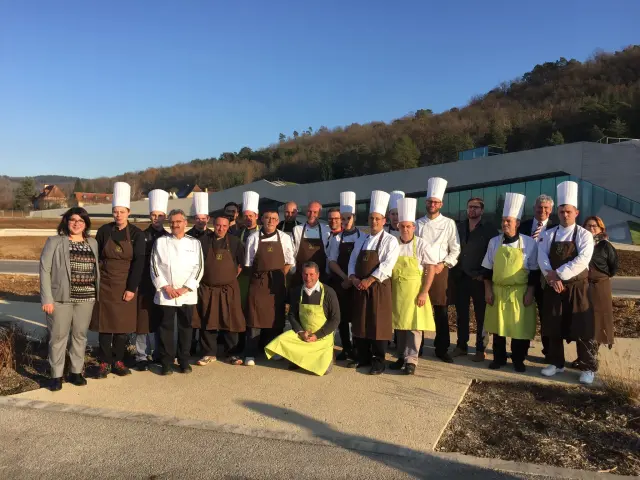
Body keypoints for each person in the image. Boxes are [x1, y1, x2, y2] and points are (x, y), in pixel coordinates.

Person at [538, 181, 595, 384]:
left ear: (576, 213)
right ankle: (556, 363)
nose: (565, 215)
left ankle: (588, 367)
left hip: (577, 289)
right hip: (554, 288)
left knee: (583, 327)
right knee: (553, 325)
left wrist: (558, 275)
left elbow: (583, 260)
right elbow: (541, 257)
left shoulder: (584, 235)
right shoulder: (548, 234)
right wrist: (551, 278)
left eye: (568, 211)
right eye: (562, 211)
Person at [40, 207, 99, 391]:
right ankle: (56, 375)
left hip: (86, 297)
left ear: (86, 224)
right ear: (66, 221)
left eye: (81, 220)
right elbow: (45, 270)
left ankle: (75, 372)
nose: (76, 223)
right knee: (58, 337)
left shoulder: (92, 243)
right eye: (73, 219)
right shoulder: (55, 242)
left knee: (80, 336)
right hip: (60, 299)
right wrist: (47, 298)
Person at [91, 182, 145, 378]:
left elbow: (139, 263)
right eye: (115, 212)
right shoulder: (104, 231)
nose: (118, 215)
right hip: (105, 284)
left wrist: (131, 288)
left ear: (128, 212)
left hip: (125, 285)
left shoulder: (137, 234)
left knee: (122, 327)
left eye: (122, 212)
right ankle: (104, 362)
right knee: (105, 326)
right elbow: (96, 257)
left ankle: (118, 361)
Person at [482, 193, 539, 372]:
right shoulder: (494, 243)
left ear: (517, 223)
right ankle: (498, 358)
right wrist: (488, 290)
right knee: (498, 328)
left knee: (519, 328)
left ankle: (518, 360)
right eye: (503, 221)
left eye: (509, 221)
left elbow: (534, 271)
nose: (505, 224)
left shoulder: (529, 243)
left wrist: (530, 292)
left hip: (519, 292)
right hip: (498, 291)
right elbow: (487, 269)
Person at [347, 190, 400, 375]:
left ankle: (378, 360)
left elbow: (387, 264)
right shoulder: (362, 240)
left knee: (378, 322)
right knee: (360, 322)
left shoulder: (391, 241)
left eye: (377, 218)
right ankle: (363, 357)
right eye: (371, 218)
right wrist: (353, 278)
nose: (374, 222)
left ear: (384, 220)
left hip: (378, 287)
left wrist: (369, 280)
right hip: (360, 287)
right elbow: (352, 261)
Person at [151, 209, 204, 375]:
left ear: (185, 223)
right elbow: (154, 266)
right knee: (165, 329)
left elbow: (199, 268)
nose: (175, 225)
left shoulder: (194, 243)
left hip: (186, 294)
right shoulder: (160, 242)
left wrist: (185, 288)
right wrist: (166, 287)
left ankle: (184, 361)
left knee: (186, 328)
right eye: (172, 222)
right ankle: (166, 362)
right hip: (166, 293)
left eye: (178, 221)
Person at [265, 262, 340, 376]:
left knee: (324, 370)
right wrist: (300, 332)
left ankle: (325, 356)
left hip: (322, 337)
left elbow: (335, 319)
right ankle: (301, 358)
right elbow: (292, 315)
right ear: (302, 275)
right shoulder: (296, 291)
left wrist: (317, 335)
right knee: (281, 340)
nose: (308, 278)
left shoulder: (329, 292)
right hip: (303, 335)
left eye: (311, 274)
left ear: (318, 275)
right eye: (305, 274)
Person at [416, 177, 460, 363]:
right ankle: (416, 347)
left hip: (440, 270)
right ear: (426, 203)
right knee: (418, 308)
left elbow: (455, 249)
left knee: (441, 311)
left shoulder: (449, 223)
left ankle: (442, 349)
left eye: (435, 202)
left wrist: (444, 264)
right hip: (420, 271)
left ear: (441, 204)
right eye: (429, 201)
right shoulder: (418, 223)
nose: (432, 204)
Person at [389, 198, 435, 375]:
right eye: (402, 226)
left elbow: (431, 268)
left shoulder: (422, 244)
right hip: (397, 291)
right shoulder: (393, 243)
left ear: (414, 227)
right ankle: (401, 356)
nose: (405, 229)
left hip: (415, 292)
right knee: (400, 326)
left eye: (408, 226)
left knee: (414, 327)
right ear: (398, 226)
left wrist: (424, 292)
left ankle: (411, 360)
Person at [192, 214, 246, 366]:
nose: (221, 229)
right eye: (218, 225)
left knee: (231, 320)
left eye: (224, 226)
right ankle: (208, 353)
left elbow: (240, 265)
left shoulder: (235, 242)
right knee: (207, 320)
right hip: (207, 288)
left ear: (228, 227)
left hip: (229, 289)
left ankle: (232, 353)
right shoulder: (203, 241)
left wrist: (227, 278)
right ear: (213, 225)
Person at [244, 209, 295, 366]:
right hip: (258, 284)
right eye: (267, 218)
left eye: (274, 218)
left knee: (276, 317)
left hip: (276, 284)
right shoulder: (253, 238)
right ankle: (250, 353)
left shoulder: (285, 238)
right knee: (254, 317)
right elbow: (248, 263)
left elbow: (289, 261)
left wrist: (279, 277)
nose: (271, 221)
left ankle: (274, 351)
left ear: (278, 221)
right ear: (262, 220)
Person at [572, 216, 618, 375]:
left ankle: (591, 358)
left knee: (597, 323)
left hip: (600, 288)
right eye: (588, 226)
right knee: (581, 321)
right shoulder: (578, 243)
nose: (591, 229)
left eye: (594, 226)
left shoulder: (606, 246)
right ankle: (581, 357)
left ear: (601, 229)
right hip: (582, 286)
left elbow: (613, 268)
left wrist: (598, 277)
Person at [450, 197, 494, 362]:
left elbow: (492, 254)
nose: (472, 210)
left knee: (481, 315)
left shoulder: (488, 229)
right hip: (461, 277)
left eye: (476, 207)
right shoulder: (459, 227)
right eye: (470, 207)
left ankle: (481, 348)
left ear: (482, 210)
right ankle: (461, 345)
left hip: (479, 278)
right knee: (462, 314)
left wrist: (484, 274)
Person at [518, 194, 557, 360]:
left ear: (551, 210)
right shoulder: (523, 226)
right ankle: (521, 350)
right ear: (534, 208)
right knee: (522, 315)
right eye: (540, 207)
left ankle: (549, 351)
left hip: (544, 279)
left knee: (546, 316)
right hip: (523, 276)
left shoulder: (556, 228)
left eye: (546, 208)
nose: (542, 210)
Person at [134, 189, 169, 371]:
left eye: (160, 215)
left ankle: (158, 353)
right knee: (143, 320)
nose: (156, 218)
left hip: (163, 285)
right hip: (145, 283)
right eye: (154, 215)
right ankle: (141, 355)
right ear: (150, 216)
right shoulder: (142, 235)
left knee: (160, 320)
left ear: (165, 217)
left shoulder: (169, 237)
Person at [327, 191, 361, 361]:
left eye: (348, 218)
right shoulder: (336, 238)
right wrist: (344, 277)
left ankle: (357, 348)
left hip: (356, 283)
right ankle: (346, 347)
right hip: (340, 282)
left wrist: (352, 279)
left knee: (355, 316)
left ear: (354, 218)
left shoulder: (363, 237)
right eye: (343, 218)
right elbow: (332, 261)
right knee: (341, 317)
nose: (346, 221)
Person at [291, 201, 331, 287]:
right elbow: (291, 252)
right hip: (301, 277)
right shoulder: (297, 229)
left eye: (315, 212)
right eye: (309, 211)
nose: (311, 214)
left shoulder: (326, 230)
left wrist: (327, 272)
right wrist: (293, 271)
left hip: (321, 277)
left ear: (320, 214)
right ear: (306, 212)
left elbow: (329, 254)